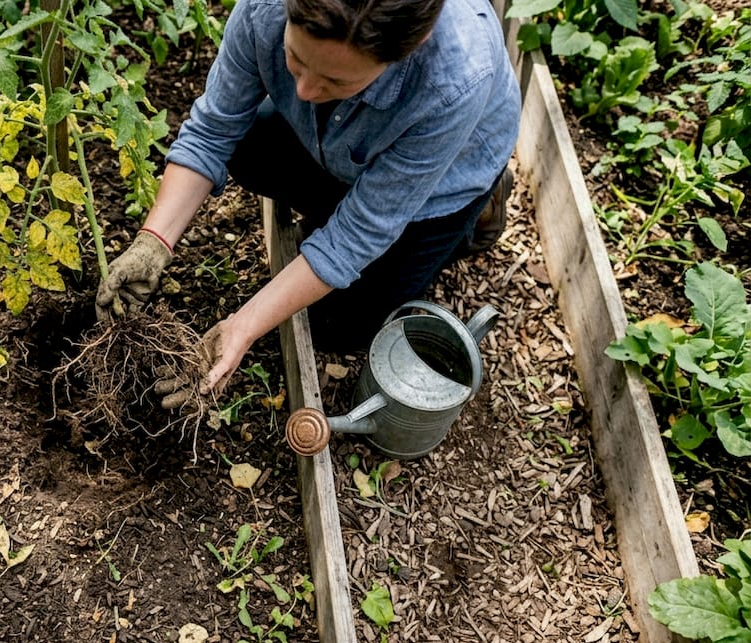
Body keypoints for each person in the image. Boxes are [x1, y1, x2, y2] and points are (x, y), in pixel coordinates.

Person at [94, 0, 520, 407]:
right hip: (340, 147)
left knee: (336, 328)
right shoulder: (267, 7)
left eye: (336, 81)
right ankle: (335, 195)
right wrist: (154, 242)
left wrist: (243, 326)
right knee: (245, 147)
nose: (304, 89)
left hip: (441, 183)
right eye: (295, 58)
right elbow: (212, 131)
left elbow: (358, 235)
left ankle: (478, 211)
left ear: (413, 44)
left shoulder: (455, 78)